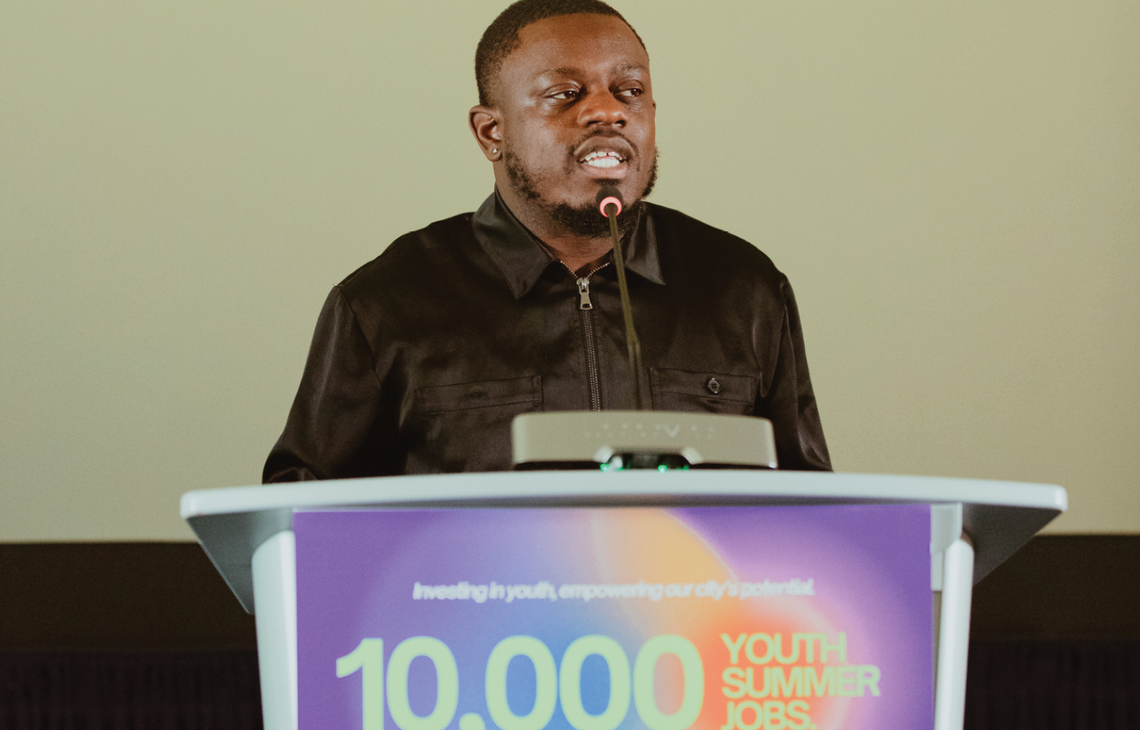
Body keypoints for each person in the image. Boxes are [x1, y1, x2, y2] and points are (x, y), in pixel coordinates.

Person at [263, 0, 831, 481]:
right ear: (492, 131)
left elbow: (816, 515)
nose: (608, 110)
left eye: (629, 90)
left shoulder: (743, 287)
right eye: (565, 94)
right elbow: (299, 528)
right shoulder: (385, 301)